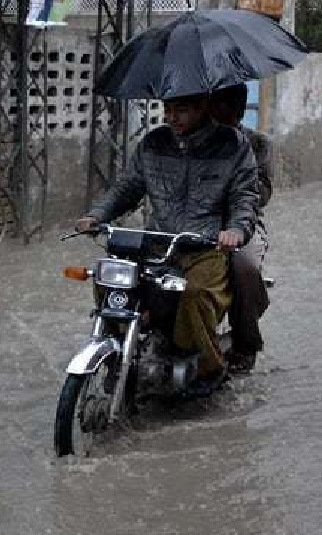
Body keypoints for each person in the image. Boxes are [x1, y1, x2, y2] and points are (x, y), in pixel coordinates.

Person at [75, 93, 260, 395]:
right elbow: (128, 187)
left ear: (203, 109)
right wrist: (97, 215)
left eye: (181, 110)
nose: (171, 117)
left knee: (196, 293)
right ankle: (118, 353)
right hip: (156, 243)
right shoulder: (153, 143)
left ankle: (206, 368)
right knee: (111, 280)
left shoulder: (233, 145)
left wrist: (236, 230)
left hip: (205, 246)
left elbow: (245, 196)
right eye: (168, 109)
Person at [208, 83, 272, 375]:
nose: (220, 116)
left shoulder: (257, 144)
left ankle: (246, 343)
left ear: (240, 110)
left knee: (243, 268)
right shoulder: (196, 142)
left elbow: (263, 193)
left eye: (227, 110)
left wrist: (235, 185)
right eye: (215, 108)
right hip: (196, 223)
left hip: (243, 225)